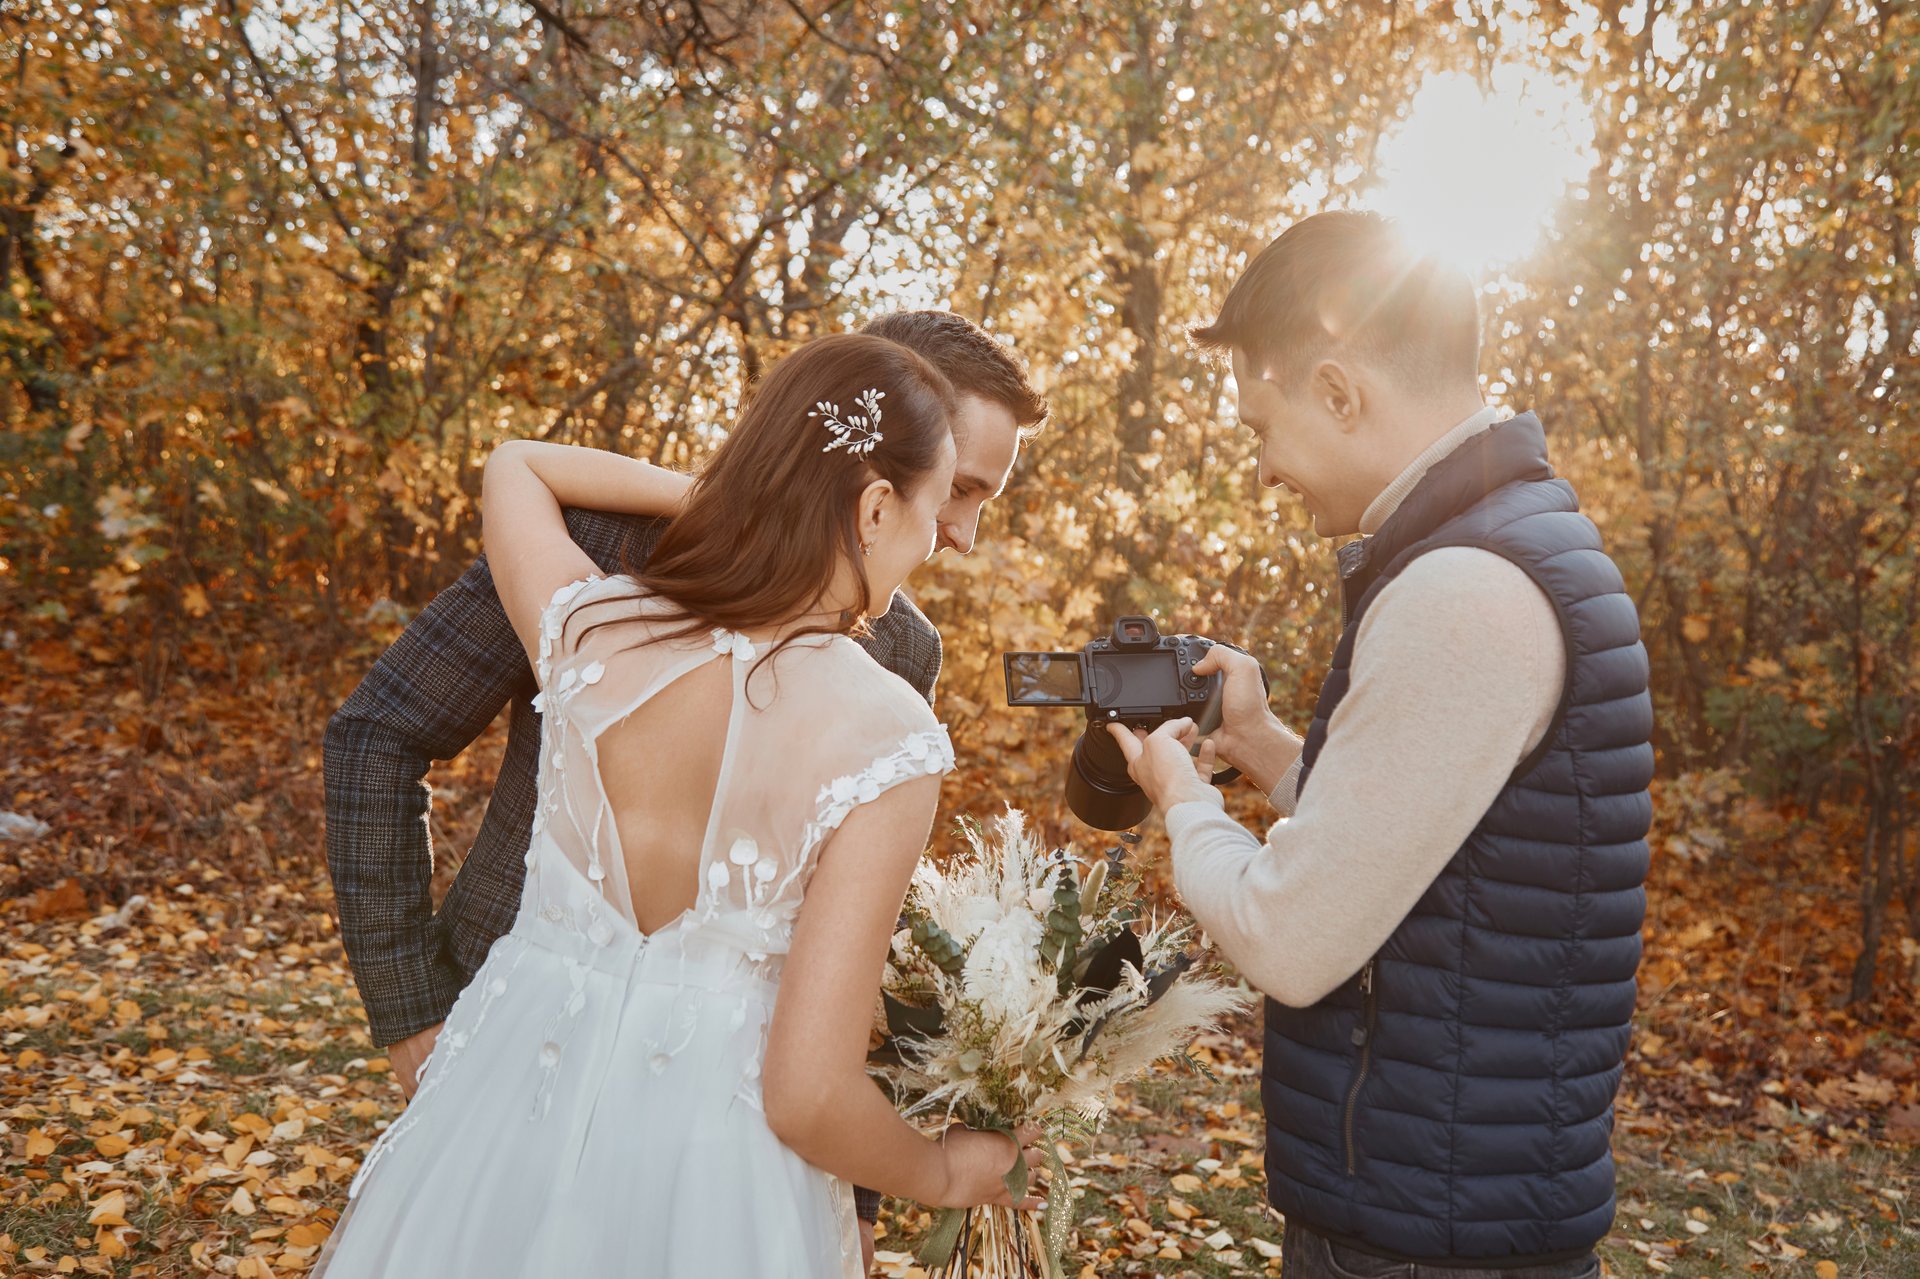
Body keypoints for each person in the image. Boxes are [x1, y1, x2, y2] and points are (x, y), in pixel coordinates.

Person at [322, 311, 1046, 1269]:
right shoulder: (891, 733)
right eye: (952, 487)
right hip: (703, 1151)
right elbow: (806, 1084)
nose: (958, 534)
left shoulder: (591, 630)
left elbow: (516, 465)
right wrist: (944, 1173)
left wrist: (858, 1204)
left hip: (507, 1104)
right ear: (877, 503)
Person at [1110, 210, 1653, 1278]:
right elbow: (1441, 848)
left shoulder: (1462, 587)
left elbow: (1291, 939)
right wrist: (1262, 744)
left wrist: (1182, 794)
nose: (1266, 471)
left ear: (1340, 391)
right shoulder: (1509, 542)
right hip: (1452, 1202)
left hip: (1426, 1238)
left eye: (1262, 427)